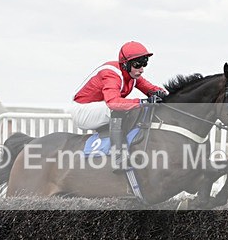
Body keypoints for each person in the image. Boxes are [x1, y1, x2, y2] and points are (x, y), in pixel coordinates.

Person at [71, 41, 167, 171]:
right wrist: (143, 102)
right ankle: (119, 158)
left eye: (144, 63)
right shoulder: (111, 74)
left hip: (99, 108)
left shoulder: (132, 75)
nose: (141, 69)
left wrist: (164, 95)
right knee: (120, 109)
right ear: (125, 64)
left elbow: (152, 89)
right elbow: (113, 103)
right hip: (82, 111)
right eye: (137, 64)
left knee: (135, 107)